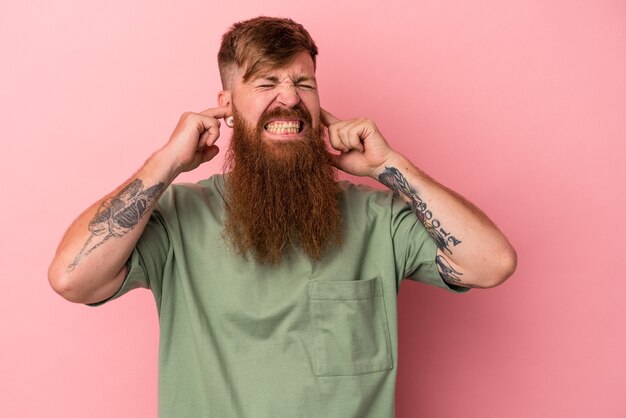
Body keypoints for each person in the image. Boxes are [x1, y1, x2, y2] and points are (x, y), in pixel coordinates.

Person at [48, 16, 516, 418]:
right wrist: (164, 164)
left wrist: (388, 167)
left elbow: (491, 263)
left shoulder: (377, 217)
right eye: (267, 83)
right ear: (226, 105)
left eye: (304, 83)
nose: (289, 99)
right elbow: (72, 278)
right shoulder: (177, 216)